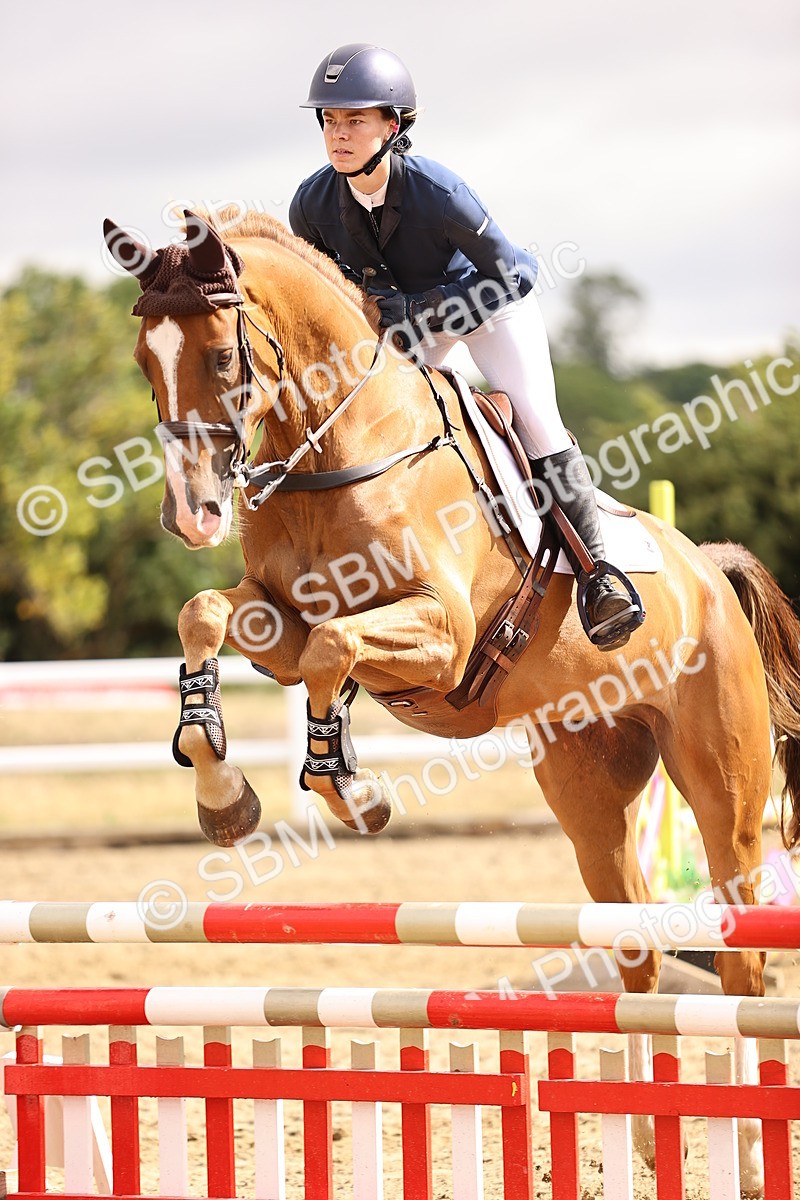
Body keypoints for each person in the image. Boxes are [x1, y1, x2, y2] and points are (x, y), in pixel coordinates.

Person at [289, 42, 644, 651]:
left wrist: (426, 311)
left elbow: (517, 273)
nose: (337, 134)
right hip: (412, 325)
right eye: (329, 120)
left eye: (354, 120)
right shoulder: (312, 204)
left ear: (391, 126)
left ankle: (599, 575)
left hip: (490, 307)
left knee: (533, 415)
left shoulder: (439, 191)